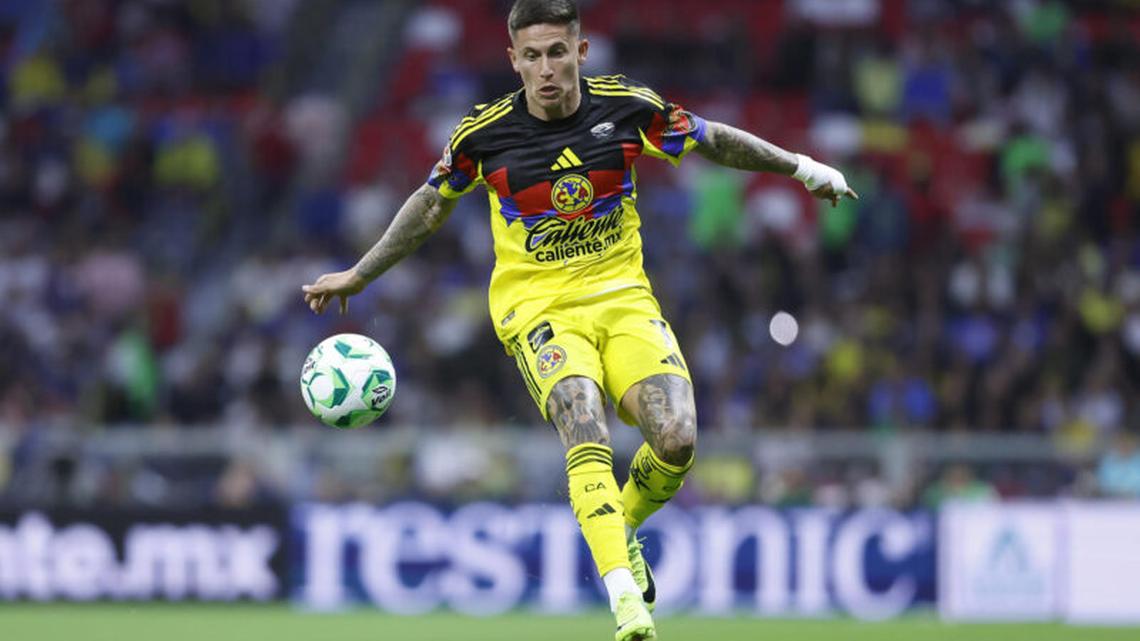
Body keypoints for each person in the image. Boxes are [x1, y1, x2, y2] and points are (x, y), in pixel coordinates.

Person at [302, 1, 856, 638]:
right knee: (581, 419)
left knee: (676, 438)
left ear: (580, 52)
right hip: (537, 308)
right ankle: (626, 600)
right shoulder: (483, 137)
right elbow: (429, 206)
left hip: (622, 297)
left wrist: (803, 167)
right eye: (531, 56)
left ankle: (617, 530)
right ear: (512, 60)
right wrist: (361, 273)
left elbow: (712, 140)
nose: (545, 70)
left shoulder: (627, 109)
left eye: (556, 53)